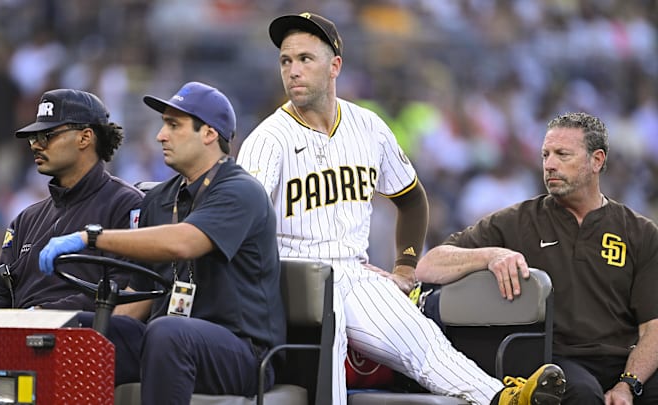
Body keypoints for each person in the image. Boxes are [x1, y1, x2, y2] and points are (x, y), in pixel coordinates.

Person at [236, 11, 565, 405]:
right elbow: (244, 224)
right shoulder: (268, 138)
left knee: (425, 344)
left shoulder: (368, 126)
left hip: (353, 271)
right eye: (286, 61)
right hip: (293, 273)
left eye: (305, 59)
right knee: (330, 343)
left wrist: (405, 267)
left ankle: (504, 398)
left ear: (334, 66)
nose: (293, 70)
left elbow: (411, 199)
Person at [38, 81, 286, 404]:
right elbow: (138, 298)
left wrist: (92, 237)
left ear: (209, 133)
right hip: (168, 339)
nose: (160, 135)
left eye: (173, 125)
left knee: (168, 333)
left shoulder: (240, 190)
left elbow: (184, 243)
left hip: (244, 352)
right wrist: (84, 326)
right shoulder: (158, 198)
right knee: (71, 331)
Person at [415, 112, 658, 404]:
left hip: (624, 362)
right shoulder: (518, 221)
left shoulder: (640, 232)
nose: (550, 165)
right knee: (583, 395)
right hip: (555, 361)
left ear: (597, 161)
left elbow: (653, 327)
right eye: (545, 155)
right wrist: (490, 255)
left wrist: (628, 385)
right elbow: (429, 264)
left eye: (562, 154)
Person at [0, 89, 143, 326]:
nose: (35, 146)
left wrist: (43, 313)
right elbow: (0, 290)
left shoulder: (127, 204)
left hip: (82, 345)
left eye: (47, 136)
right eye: (34, 138)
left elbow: (123, 290)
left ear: (85, 137)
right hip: (17, 342)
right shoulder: (26, 219)